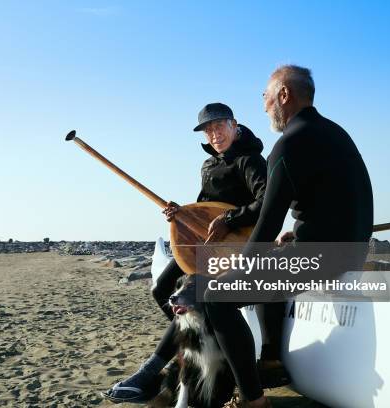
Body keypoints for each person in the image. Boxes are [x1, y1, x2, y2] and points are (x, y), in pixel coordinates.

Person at [204, 66, 374, 408]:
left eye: (266, 97)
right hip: (350, 250)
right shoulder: (334, 132)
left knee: (215, 295)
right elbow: (343, 202)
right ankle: (269, 355)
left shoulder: (288, 144)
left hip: (322, 257)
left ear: (284, 95)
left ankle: (253, 400)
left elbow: (267, 219)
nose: (264, 106)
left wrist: (240, 268)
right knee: (267, 259)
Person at [103, 103, 287, 403]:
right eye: (208, 130)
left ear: (234, 125)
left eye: (219, 126)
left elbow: (268, 202)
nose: (214, 134)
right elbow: (205, 209)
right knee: (161, 288)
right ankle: (199, 340)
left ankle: (153, 369)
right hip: (204, 246)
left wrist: (229, 219)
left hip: (235, 249)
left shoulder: (249, 159)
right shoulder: (209, 164)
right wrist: (180, 214)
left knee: (193, 299)